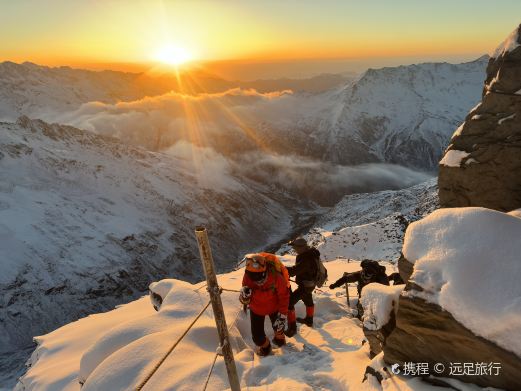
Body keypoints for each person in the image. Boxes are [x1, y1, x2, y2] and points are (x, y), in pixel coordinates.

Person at [239, 253, 290, 356]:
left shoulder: (276, 277)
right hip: (257, 309)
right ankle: (266, 347)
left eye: (257, 276)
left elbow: (284, 296)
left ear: (264, 271)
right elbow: (245, 296)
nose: (254, 279)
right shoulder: (248, 275)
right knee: (258, 338)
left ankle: (279, 341)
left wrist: (282, 315)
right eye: (251, 275)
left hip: (273, 308)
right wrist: (244, 297)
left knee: (279, 330)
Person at [284, 237, 321, 337]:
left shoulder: (306, 258)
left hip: (305, 285)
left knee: (289, 303)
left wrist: (281, 268)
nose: (294, 249)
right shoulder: (310, 254)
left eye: (295, 247)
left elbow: (293, 271)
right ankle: (309, 320)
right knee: (308, 300)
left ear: (301, 247)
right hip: (310, 284)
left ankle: (292, 329)